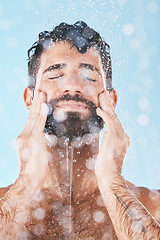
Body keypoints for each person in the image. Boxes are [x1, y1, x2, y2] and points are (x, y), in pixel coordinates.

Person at [0, 21, 160, 240]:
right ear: (30, 99)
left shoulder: (152, 206)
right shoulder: (5, 203)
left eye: (89, 77)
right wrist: (27, 181)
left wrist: (111, 181)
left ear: (111, 101)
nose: (73, 85)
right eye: (55, 75)